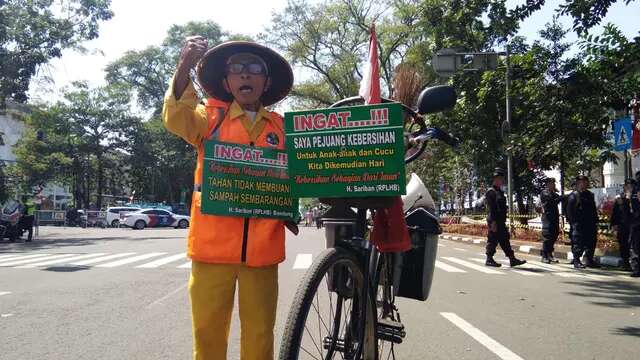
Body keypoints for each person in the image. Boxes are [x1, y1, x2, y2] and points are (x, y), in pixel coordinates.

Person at [163, 38, 294, 360]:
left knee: (260, 335)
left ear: (266, 82)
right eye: (237, 69)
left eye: (254, 70)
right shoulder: (210, 119)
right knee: (208, 335)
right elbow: (176, 115)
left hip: (263, 251)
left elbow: (307, 171)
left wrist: (288, 203)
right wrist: (184, 65)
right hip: (211, 249)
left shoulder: (284, 128)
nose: (245, 76)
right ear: (226, 82)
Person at [484, 168, 526, 267]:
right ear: (495, 179)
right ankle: (489, 259)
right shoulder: (491, 192)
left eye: (502, 179)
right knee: (492, 239)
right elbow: (491, 208)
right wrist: (493, 222)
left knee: (504, 239)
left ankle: (512, 259)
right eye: (499, 178)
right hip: (494, 220)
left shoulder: (500, 192)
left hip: (500, 220)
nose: (501, 180)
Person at [567, 175, 600, 269]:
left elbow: (593, 209)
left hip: (590, 223)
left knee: (591, 242)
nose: (584, 184)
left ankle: (589, 259)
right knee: (578, 242)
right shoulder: (574, 195)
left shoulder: (589, 195)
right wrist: (573, 223)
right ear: (577, 184)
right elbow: (569, 211)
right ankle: (576, 260)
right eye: (582, 182)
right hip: (578, 223)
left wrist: (596, 221)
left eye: (585, 182)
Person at [610, 179, 635, 271]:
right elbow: (615, 213)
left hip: (634, 225)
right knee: (623, 244)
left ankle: (635, 263)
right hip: (622, 226)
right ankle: (625, 263)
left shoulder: (637, 197)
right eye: (627, 186)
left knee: (634, 245)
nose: (629, 188)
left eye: (631, 186)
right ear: (624, 187)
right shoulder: (620, 199)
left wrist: (631, 200)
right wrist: (614, 225)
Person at [540, 178, 562, 263]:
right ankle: (544, 256)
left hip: (554, 218)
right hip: (547, 218)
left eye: (554, 183)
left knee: (554, 235)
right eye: (552, 183)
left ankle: (550, 254)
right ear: (548, 184)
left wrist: (556, 193)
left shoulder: (553, 193)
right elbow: (551, 200)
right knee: (547, 237)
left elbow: (557, 198)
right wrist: (560, 197)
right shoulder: (545, 193)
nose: (554, 185)